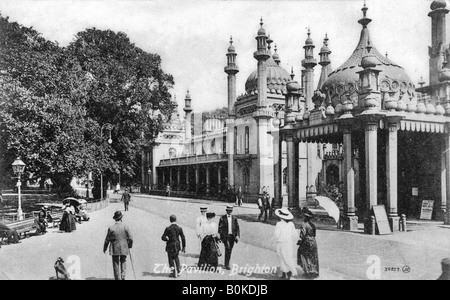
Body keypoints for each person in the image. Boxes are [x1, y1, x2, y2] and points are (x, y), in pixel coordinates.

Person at [103, 211, 133, 280]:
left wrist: (105, 248)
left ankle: (117, 278)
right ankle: (123, 276)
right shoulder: (125, 227)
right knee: (123, 261)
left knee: (115, 263)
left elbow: (107, 239)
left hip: (114, 248)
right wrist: (129, 245)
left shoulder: (111, 228)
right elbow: (131, 238)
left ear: (115, 219)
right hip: (124, 247)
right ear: (121, 218)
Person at [273, 207, 298, 280]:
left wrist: (274, 240)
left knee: (281, 258)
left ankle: (285, 273)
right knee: (288, 257)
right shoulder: (291, 224)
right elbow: (294, 234)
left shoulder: (279, 224)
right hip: (289, 243)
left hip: (281, 243)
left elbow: (276, 235)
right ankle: (289, 272)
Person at [297, 207, 319, 279]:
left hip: (306, 242)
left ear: (305, 217)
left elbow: (302, 235)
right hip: (313, 242)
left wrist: (300, 241)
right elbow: (314, 234)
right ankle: (314, 271)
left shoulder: (304, 224)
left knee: (303, 254)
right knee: (313, 256)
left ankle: (307, 271)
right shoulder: (313, 225)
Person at [218, 205, 240, 270]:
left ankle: (227, 262)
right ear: (226, 211)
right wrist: (219, 236)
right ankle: (227, 264)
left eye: (231, 211)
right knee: (227, 248)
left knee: (230, 250)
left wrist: (237, 235)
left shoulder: (234, 218)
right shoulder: (222, 218)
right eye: (228, 211)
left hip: (232, 236)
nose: (229, 212)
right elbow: (220, 228)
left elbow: (237, 228)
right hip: (225, 236)